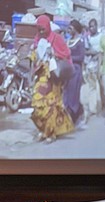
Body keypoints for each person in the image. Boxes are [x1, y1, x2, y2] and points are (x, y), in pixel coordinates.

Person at [30, 15, 74, 143]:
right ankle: (43, 129)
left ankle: (50, 133)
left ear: (48, 27)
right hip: (42, 76)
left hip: (54, 77)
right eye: (39, 29)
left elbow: (66, 54)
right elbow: (34, 58)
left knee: (51, 106)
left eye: (43, 29)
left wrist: (53, 53)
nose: (41, 32)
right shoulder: (37, 39)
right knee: (37, 103)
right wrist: (33, 54)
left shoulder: (57, 39)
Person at [64, 19, 85, 126]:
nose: (68, 30)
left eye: (71, 28)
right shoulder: (68, 41)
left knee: (73, 95)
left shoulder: (80, 42)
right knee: (66, 94)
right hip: (67, 71)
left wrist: (69, 58)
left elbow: (81, 57)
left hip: (76, 71)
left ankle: (76, 115)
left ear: (76, 30)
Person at [81, 18, 102, 124]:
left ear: (97, 26)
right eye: (90, 26)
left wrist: (97, 53)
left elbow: (103, 51)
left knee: (103, 87)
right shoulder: (87, 38)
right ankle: (92, 108)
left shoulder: (101, 37)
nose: (91, 28)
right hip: (90, 65)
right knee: (92, 87)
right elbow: (85, 51)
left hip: (101, 64)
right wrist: (93, 52)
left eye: (93, 26)